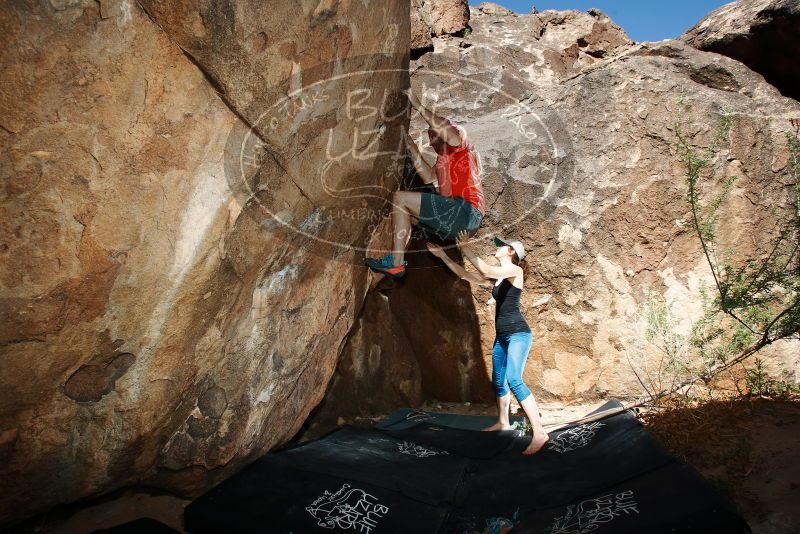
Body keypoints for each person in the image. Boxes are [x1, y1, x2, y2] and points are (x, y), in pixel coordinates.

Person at [426, 231, 550, 455]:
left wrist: (465, 247)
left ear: (511, 251)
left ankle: (539, 432)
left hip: (518, 334)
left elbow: (485, 269)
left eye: (501, 245)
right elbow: (466, 275)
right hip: (502, 337)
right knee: (499, 381)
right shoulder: (500, 277)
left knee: (514, 380)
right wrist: (443, 256)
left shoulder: (515, 270)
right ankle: (503, 422)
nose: (497, 247)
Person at [364, 88, 485, 279]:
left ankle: (396, 264)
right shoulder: (443, 159)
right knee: (407, 214)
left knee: (400, 198)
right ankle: (395, 259)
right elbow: (428, 177)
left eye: (432, 136)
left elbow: (445, 130)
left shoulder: (460, 142)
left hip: (465, 212)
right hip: (460, 223)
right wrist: (409, 143)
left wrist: (417, 104)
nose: (430, 142)